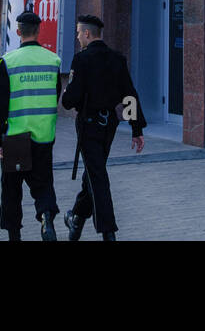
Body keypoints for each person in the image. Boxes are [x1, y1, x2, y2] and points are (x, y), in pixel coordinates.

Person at [61, 14, 145, 241]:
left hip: (88, 127)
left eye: (79, 32)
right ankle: (76, 217)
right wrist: (137, 129)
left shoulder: (82, 60)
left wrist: (67, 95)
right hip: (109, 127)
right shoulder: (117, 59)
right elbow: (129, 94)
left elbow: (70, 100)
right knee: (93, 173)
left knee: (97, 176)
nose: (78, 37)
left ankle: (108, 232)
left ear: (87, 33)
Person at [0, 10, 61, 242]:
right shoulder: (53, 60)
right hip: (44, 134)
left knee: (12, 189)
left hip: (17, 136)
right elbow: (56, 94)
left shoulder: (9, 62)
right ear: (38, 30)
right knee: (43, 183)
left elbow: (1, 103)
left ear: (18, 32)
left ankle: (14, 235)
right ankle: (47, 218)